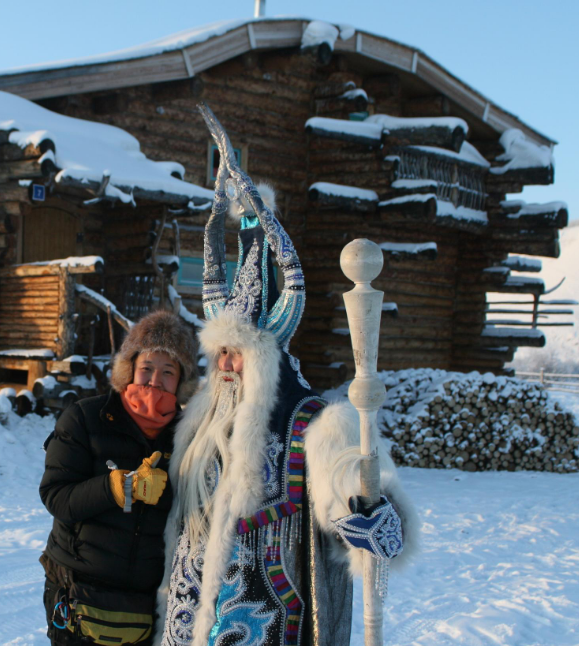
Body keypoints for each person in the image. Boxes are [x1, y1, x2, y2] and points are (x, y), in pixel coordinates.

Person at [154, 105, 418, 646]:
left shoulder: (312, 422)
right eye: (220, 353)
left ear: (268, 355)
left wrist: (366, 513)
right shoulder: (199, 417)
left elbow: (349, 475)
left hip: (270, 618)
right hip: (189, 617)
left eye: (238, 354)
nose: (226, 366)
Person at [40, 310, 200, 646]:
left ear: (181, 381)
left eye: (168, 372)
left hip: (145, 601)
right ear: (129, 370)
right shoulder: (85, 418)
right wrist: (115, 486)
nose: (155, 381)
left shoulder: (189, 437)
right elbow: (57, 497)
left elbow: (195, 510)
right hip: (77, 589)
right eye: (146, 369)